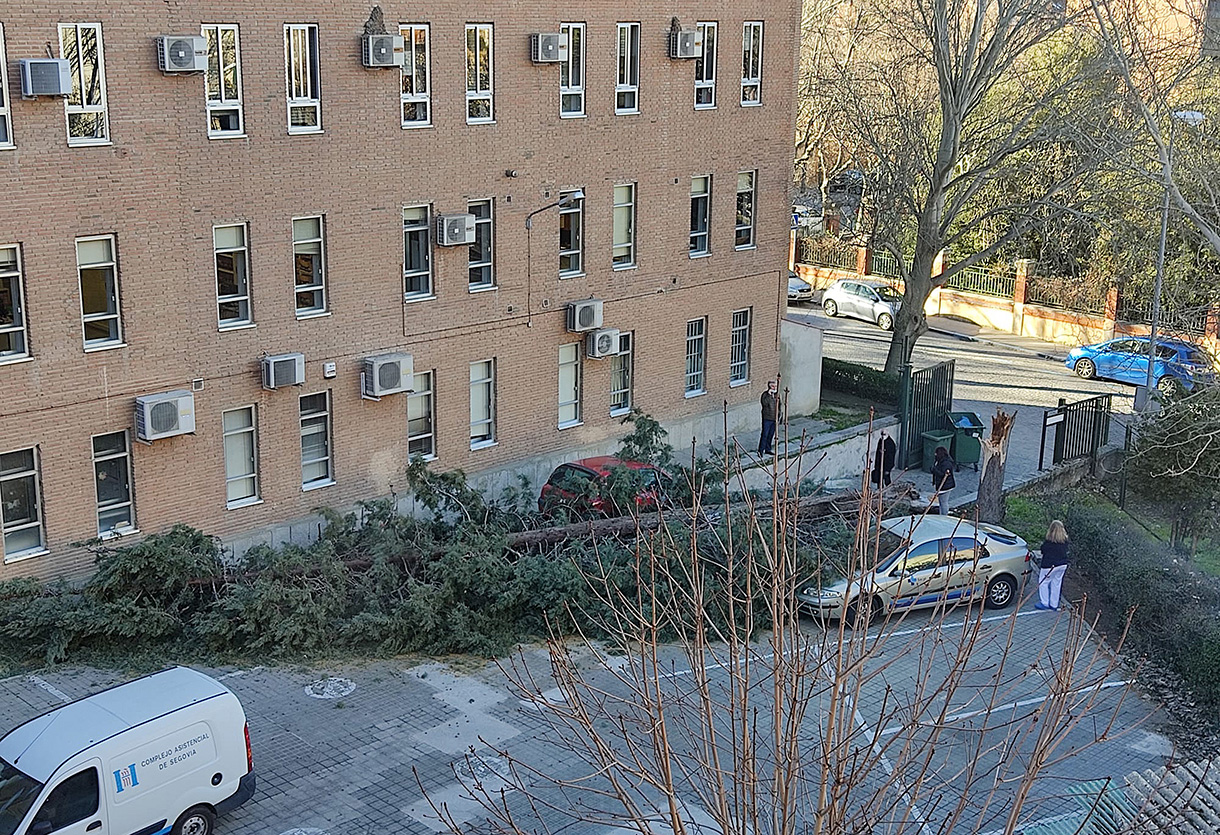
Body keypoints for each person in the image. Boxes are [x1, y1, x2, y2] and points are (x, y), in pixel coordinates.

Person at [1037, 520, 1071, 611]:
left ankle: (1044, 602)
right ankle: (1054, 604)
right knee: (1056, 583)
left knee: (1044, 582)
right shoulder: (1065, 542)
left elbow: (1043, 550)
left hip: (1049, 566)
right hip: (1062, 565)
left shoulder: (1049, 543)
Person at [758, 380, 782, 456]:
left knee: (771, 434)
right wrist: (769, 395)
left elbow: (779, 405)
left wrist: (779, 415)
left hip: (774, 418)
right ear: (769, 387)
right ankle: (760, 450)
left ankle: (768, 449)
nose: (774, 388)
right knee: (765, 434)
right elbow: (764, 404)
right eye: (772, 386)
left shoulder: (777, 395)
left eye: (775, 386)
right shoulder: (765, 395)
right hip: (767, 418)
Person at [931, 445, 956, 514]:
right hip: (943, 485)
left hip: (945, 486)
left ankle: (944, 515)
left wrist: (934, 470)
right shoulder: (940, 461)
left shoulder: (946, 463)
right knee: (942, 502)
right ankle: (941, 514)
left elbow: (943, 474)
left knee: (943, 502)